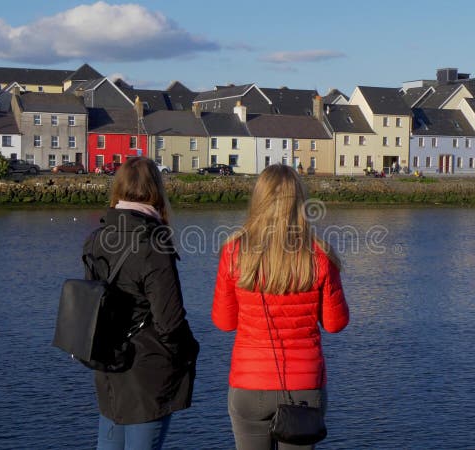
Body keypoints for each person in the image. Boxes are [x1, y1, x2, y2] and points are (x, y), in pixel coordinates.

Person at [212, 164, 350, 450]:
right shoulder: (319, 255)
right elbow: (336, 324)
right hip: (304, 387)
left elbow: (225, 323)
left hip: (249, 384)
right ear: (300, 202)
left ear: (259, 200)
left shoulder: (234, 252)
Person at [83, 157, 199, 450]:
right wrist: (186, 353)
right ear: (156, 191)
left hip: (109, 365)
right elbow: (170, 321)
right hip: (147, 373)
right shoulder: (154, 243)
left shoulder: (96, 239)